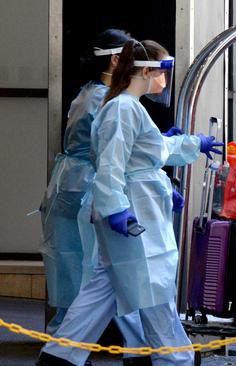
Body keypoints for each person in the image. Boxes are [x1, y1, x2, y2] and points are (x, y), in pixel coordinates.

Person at [36, 39, 222, 366]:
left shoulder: (126, 106)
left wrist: (188, 145)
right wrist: (116, 208)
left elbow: (146, 154)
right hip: (134, 214)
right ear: (145, 70)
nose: (165, 80)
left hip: (136, 207)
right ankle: (174, 359)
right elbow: (112, 163)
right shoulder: (123, 108)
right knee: (154, 286)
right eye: (163, 70)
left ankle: (59, 356)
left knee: (104, 288)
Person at [39, 29, 155, 366]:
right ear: (117, 61)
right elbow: (120, 153)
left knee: (84, 275)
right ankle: (136, 349)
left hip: (70, 190)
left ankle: (65, 348)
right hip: (89, 194)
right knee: (104, 275)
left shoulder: (89, 94)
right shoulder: (109, 101)